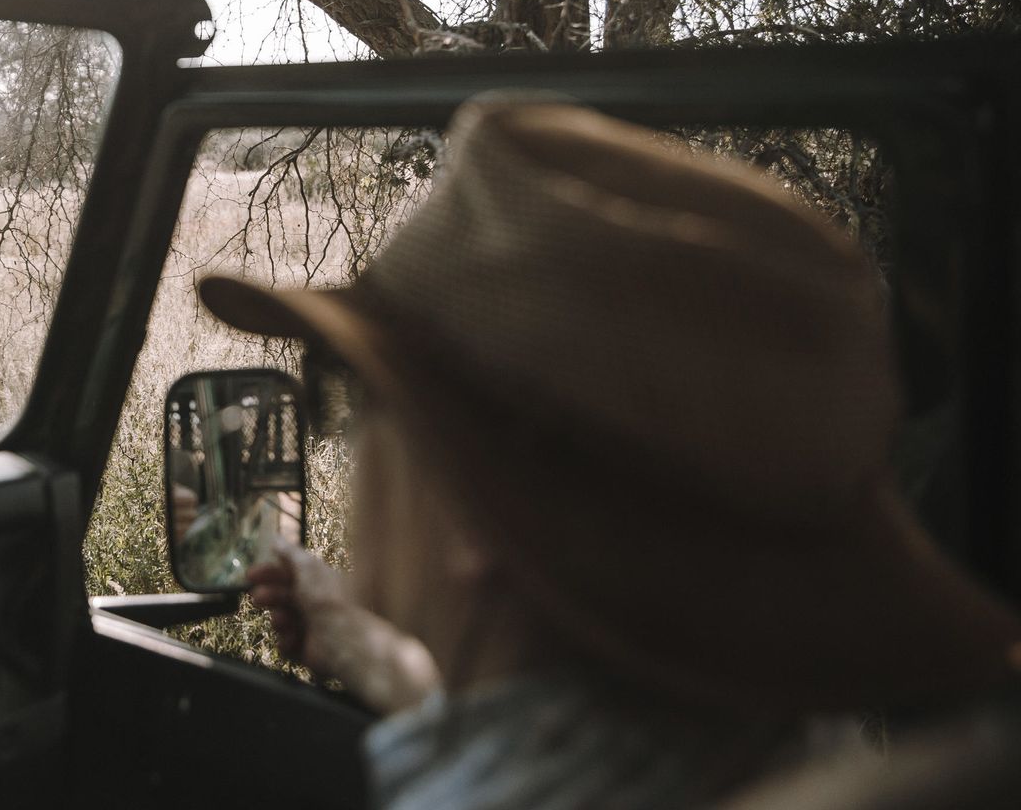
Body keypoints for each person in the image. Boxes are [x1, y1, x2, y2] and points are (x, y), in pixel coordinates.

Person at [194, 99, 1021, 809]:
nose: (342, 439)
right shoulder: (781, 740)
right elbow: (547, 712)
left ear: (472, 507)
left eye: (357, 396)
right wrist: (350, 641)